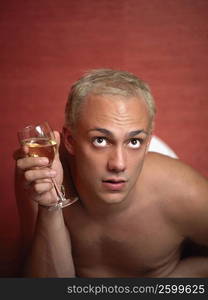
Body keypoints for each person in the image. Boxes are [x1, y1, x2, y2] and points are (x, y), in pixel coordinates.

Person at [15, 69, 208, 278]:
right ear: (70, 141)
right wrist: (50, 207)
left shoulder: (182, 191)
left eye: (134, 141)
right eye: (100, 140)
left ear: (147, 145)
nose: (118, 164)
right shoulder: (43, 170)